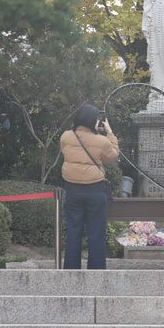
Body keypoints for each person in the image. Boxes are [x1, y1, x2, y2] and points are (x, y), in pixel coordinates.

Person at [59, 104, 120, 270]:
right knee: (96, 234)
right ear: (94, 121)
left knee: (73, 232)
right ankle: (96, 272)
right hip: (95, 191)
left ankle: (71, 271)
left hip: (72, 190)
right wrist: (109, 132)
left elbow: (67, 152)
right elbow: (113, 155)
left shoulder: (66, 136)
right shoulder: (101, 141)